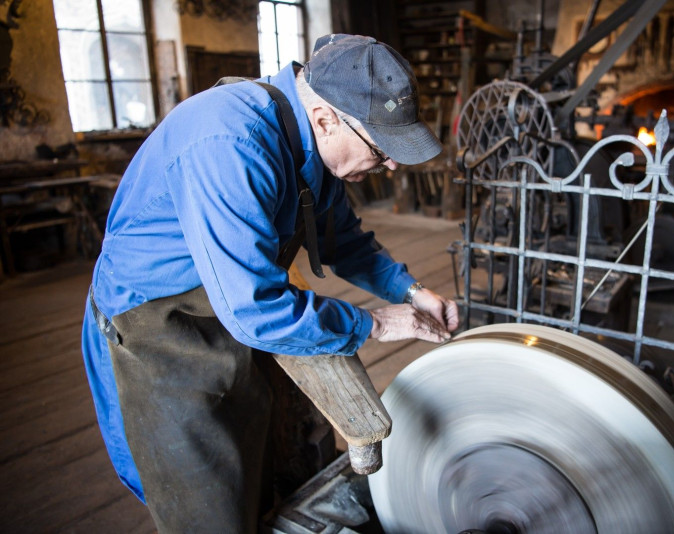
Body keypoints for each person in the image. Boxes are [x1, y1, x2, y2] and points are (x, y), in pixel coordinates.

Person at [81, 33, 459, 533]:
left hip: (230, 301)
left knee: (271, 454)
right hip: (156, 324)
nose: (390, 164)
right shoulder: (230, 143)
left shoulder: (312, 142)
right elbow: (255, 311)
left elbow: (343, 240)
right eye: (381, 149)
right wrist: (377, 323)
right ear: (326, 119)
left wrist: (411, 294)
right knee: (207, 497)